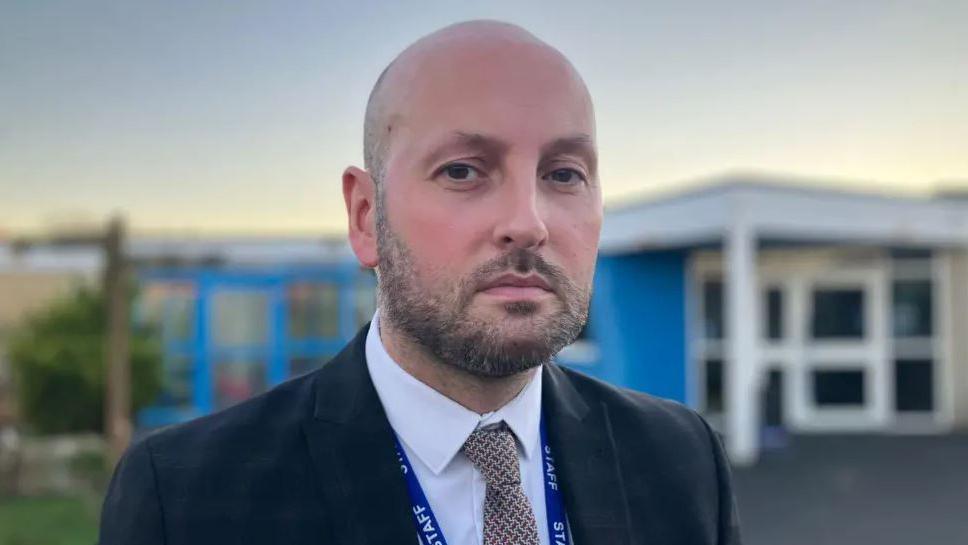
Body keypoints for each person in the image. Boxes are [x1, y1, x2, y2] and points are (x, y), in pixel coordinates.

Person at [100, 20, 741, 545]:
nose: (527, 223)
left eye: (564, 173)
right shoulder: (188, 501)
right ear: (365, 216)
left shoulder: (681, 460)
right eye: (464, 170)